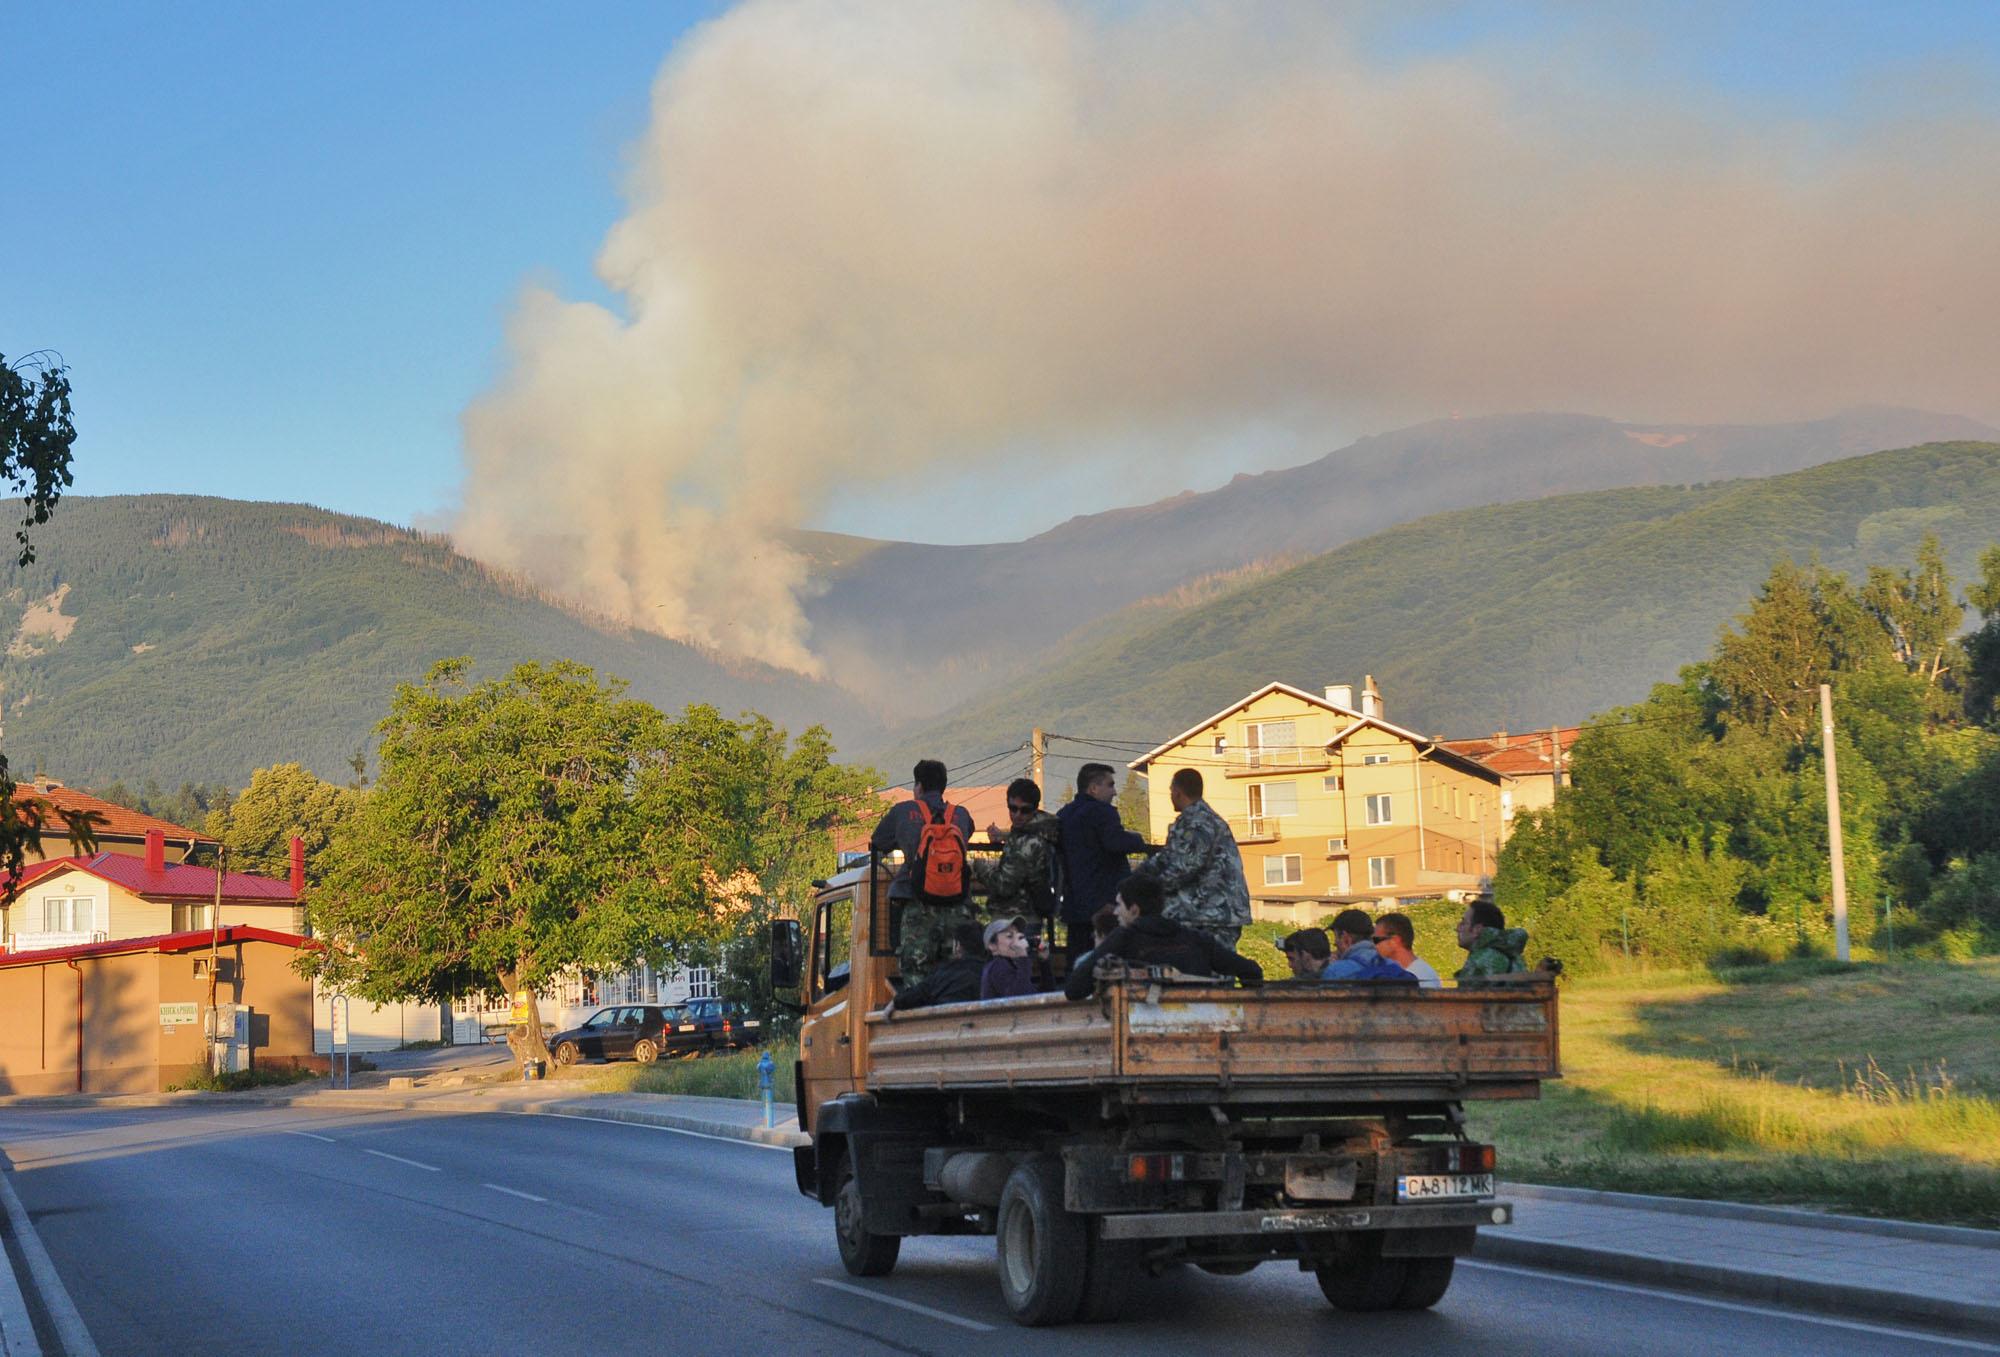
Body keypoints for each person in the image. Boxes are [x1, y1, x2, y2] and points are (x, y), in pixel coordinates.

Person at [1063, 874, 1263, 1000]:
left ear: (1134, 910)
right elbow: (1251, 971)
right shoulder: (1197, 940)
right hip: (1203, 1037)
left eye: (1119, 905)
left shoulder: (1123, 939)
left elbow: (1074, 990)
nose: (1115, 912)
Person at [869, 759, 978, 978]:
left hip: (917, 902)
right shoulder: (961, 815)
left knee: (915, 968)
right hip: (957, 904)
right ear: (943, 787)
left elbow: (879, 840)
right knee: (957, 970)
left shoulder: (903, 812)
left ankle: (920, 1010)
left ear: (918, 786)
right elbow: (969, 832)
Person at [1133, 768, 1251, 951]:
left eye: (1171, 792)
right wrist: (1137, 876)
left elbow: (1185, 867)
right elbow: (1167, 858)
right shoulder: (1194, 820)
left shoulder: (1198, 822)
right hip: (1205, 911)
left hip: (1213, 913)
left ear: (1177, 792)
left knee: (1213, 970)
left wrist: (1147, 891)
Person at [1056, 762, 1149, 963]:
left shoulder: (1065, 815)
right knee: (1108, 960)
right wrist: (1137, 840)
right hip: (1104, 904)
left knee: (1077, 959)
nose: (1114, 792)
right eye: (1110, 785)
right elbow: (1114, 842)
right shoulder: (1102, 812)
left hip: (1074, 904)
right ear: (1094, 788)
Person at [976, 777, 1063, 924]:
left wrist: (980, 866)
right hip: (1030, 914)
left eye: (1024, 810)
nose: (1017, 815)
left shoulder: (1026, 842)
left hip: (1013, 917)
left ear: (1034, 809)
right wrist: (1005, 836)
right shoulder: (1042, 831)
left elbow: (1004, 885)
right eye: (1013, 808)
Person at [882, 923, 987, 1016]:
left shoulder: (944, 972)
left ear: (958, 946)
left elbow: (921, 992)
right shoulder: (990, 971)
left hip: (944, 1025)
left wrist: (896, 1002)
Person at [1320, 909, 1414, 981]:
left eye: (1336, 939)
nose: (1335, 944)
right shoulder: (1393, 966)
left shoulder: (1336, 971)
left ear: (1346, 938)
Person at [1456, 900, 1529, 979]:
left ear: (1477, 929)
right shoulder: (1513, 957)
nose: (1457, 928)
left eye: (1463, 923)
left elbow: (1467, 990)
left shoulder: (1479, 961)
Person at [1372, 912, 1441, 988]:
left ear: (1395, 940)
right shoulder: (1389, 972)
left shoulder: (1422, 975)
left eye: (1376, 940)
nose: (1372, 945)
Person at [980, 915, 1042, 999]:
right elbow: (1019, 998)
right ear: (992, 945)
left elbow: (1043, 995)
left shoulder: (1011, 966)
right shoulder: (997, 966)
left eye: (1018, 936)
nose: (1017, 940)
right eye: (1009, 936)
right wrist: (1022, 956)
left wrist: (1044, 961)